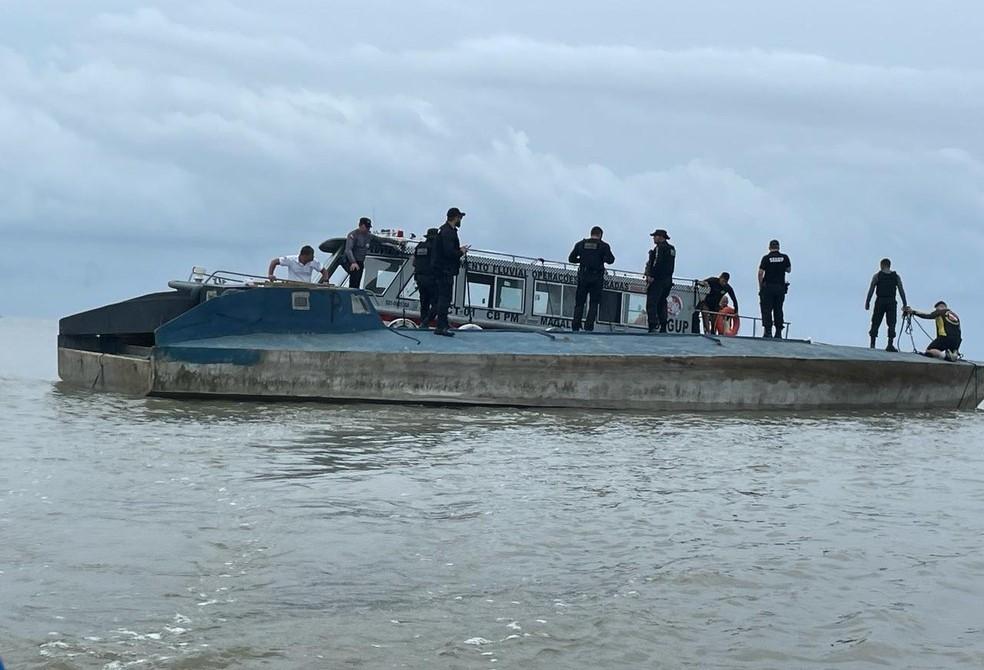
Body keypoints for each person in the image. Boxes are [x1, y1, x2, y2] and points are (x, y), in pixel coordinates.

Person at [432, 207, 471, 337]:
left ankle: (443, 324)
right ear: (455, 217)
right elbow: (448, 253)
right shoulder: (448, 232)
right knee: (444, 298)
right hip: (445, 270)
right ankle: (441, 327)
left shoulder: (444, 230)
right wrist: (461, 251)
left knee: (444, 298)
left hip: (442, 269)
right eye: (460, 217)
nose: (461, 220)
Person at [568, 226, 615, 332]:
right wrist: (602, 259)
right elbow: (611, 260)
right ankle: (588, 327)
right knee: (593, 303)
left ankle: (575, 326)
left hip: (583, 276)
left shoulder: (580, 244)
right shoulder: (604, 246)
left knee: (579, 302)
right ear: (600, 235)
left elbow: (571, 259)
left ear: (591, 233)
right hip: (596, 277)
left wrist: (582, 260)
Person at [864, 258, 908, 352]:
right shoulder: (896, 276)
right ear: (889, 265)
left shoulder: (877, 275)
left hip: (880, 301)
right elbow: (901, 291)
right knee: (892, 323)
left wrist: (867, 302)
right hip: (891, 302)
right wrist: (905, 304)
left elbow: (871, 289)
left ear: (881, 265)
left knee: (876, 321)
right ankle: (890, 344)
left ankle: (872, 344)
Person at [757, 239, 791, 338]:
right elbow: (788, 270)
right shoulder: (784, 257)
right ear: (778, 247)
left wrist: (760, 287)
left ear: (769, 247)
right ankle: (778, 332)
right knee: (778, 309)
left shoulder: (766, 258)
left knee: (767, 309)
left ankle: (768, 332)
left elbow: (760, 273)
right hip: (780, 288)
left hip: (768, 287)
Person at [644, 229, 675, 333]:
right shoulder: (671, 249)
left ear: (661, 237)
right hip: (668, 281)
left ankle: (652, 325)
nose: (653, 238)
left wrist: (651, 276)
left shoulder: (659, 248)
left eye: (655, 236)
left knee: (652, 303)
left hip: (658, 280)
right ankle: (663, 326)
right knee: (662, 302)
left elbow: (657, 263)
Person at [413, 228, 440, 326]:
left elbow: (414, 263)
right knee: (437, 304)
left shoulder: (420, 246)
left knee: (424, 304)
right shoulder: (435, 248)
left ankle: (423, 324)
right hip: (431, 279)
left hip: (419, 278)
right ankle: (425, 322)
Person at [344, 217, 375, 289]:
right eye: (366, 227)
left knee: (357, 282)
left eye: (368, 227)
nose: (368, 229)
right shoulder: (353, 235)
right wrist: (353, 262)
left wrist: (395, 242)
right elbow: (348, 250)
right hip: (352, 261)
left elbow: (380, 239)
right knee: (354, 280)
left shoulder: (369, 236)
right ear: (361, 226)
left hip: (360, 263)